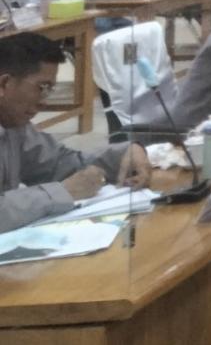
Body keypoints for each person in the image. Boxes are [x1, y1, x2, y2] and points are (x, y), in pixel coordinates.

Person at [0, 33, 151, 232]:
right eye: (42, 88)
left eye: (50, 90)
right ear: (4, 84)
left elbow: (58, 164)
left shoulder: (14, 123)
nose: (44, 101)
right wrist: (63, 192)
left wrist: (122, 155)